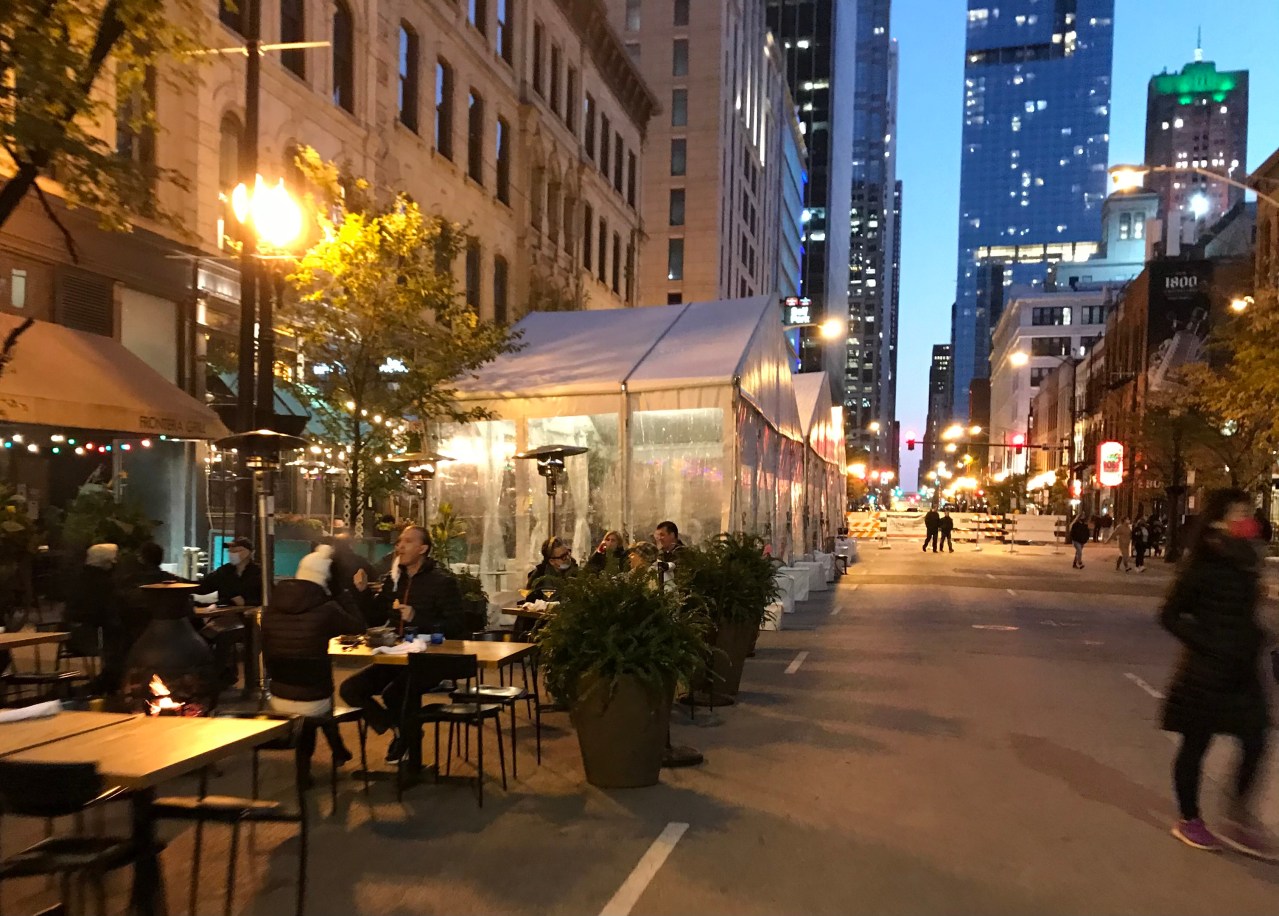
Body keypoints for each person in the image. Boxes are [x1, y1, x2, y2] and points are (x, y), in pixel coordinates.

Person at [1160, 488, 1275, 858]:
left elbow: (1242, 614)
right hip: (1205, 672)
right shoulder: (1202, 565)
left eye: (1249, 512)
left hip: (1242, 670)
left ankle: (1238, 818)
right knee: (1196, 744)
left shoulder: (1247, 562)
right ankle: (1189, 818)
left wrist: (1256, 633)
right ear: (1218, 520)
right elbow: (1169, 615)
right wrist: (1206, 641)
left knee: (1257, 740)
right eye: (1239, 512)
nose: (1247, 520)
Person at [340, 526, 464, 760]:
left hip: (431, 658)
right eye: (399, 542)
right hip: (396, 656)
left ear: (423, 549)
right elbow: (375, 617)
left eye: (407, 541)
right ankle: (401, 729)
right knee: (350, 689)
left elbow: (457, 626)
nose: (400, 546)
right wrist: (363, 591)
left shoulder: (442, 582)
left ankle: (408, 740)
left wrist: (417, 617)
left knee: (394, 693)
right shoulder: (395, 581)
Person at [262, 545, 366, 786]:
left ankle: (337, 752)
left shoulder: (269, 610)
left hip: (277, 693)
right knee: (317, 701)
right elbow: (359, 627)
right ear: (325, 579)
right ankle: (328, 756)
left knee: (310, 693)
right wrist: (343, 594)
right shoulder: (326, 610)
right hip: (315, 696)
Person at [67, 544, 128, 695]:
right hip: (91, 635)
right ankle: (110, 683)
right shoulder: (103, 583)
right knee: (124, 641)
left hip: (78, 633)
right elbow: (107, 611)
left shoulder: (79, 578)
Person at [195, 538, 263, 607]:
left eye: (237, 551)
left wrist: (245, 603)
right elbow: (204, 587)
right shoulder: (224, 571)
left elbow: (264, 599)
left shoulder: (259, 573)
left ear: (250, 552)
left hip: (252, 614)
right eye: (230, 551)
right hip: (225, 614)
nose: (232, 554)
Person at [326, 533, 377, 625]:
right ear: (351, 545)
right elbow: (374, 576)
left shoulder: (328, 561)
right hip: (357, 607)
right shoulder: (360, 561)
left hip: (334, 608)